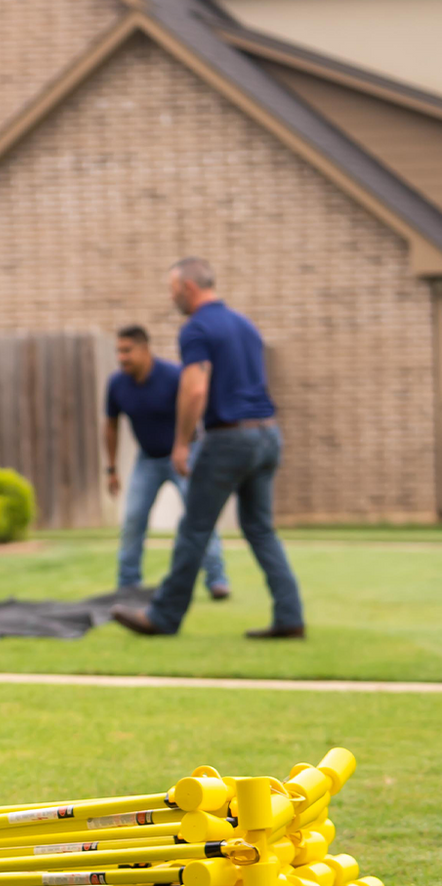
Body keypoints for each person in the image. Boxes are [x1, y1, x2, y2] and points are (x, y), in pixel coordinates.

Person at [113, 258, 305, 640]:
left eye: (172, 291)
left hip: (228, 439)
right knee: (261, 530)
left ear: (187, 287)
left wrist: (181, 443)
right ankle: (290, 617)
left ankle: (163, 617)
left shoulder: (197, 328)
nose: (172, 299)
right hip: (267, 435)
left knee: (194, 528)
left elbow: (195, 388)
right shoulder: (244, 325)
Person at [103, 324, 228, 600]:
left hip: (185, 456)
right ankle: (127, 583)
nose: (121, 357)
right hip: (147, 461)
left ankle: (217, 579)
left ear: (145, 349)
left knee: (199, 516)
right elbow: (111, 425)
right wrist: (111, 469)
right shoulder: (117, 384)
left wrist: (184, 446)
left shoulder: (173, 377)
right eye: (118, 351)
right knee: (133, 519)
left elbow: (197, 408)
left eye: (127, 350)